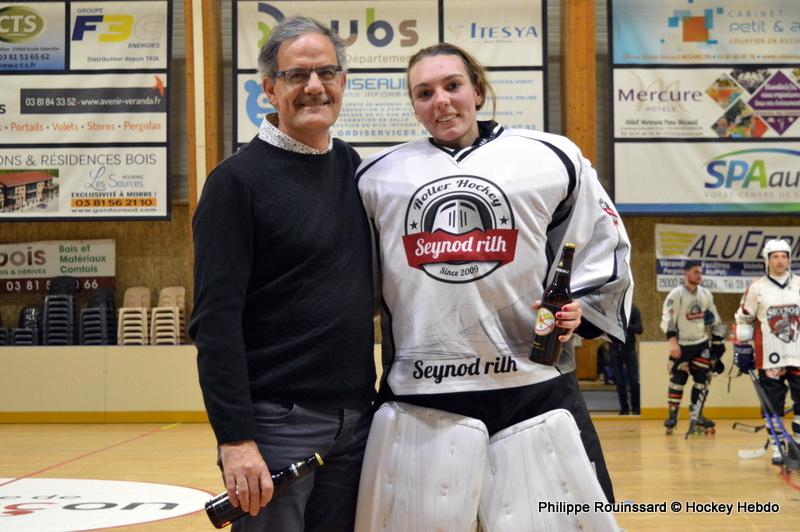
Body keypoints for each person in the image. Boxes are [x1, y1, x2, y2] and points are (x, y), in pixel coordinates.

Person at [355, 42, 632, 518]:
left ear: (478, 92)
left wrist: (581, 310)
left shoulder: (552, 157)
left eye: (453, 85)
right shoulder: (376, 177)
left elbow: (601, 244)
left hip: (533, 387)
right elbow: (351, 279)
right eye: (424, 93)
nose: (441, 101)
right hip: (422, 394)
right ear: (414, 106)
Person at [189, 17, 376, 532]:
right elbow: (215, 324)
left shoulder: (352, 167)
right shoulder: (235, 183)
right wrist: (235, 439)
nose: (314, 86)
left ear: (342, 82)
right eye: (297, 75)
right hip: (276, 427)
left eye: (326, 73)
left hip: (356, 422)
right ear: (269, 89)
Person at [734, 238, 800, 464]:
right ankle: (777, 447)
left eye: (783, 256)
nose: (780, 261)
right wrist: (743, 348)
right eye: (775, 257)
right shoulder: (757, 288)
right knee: (773, 404)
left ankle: (797, 445)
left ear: (789, 260)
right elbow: (744, 318)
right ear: (767, 260)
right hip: (770, 357)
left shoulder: (799, 284)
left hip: (798, 355)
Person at [660, 261, 726, 434]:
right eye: (696, 272)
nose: (699, 275)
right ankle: (672, 416)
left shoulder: (705, 294)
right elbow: (667, 318)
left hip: (701, 343)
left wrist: (718, 342)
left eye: (700, 272)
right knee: (677, 381)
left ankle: (696, 415)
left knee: (702, 381)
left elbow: (715, 318)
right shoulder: (676, 294)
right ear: (686, 273)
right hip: (682, 345)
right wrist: (672, 342)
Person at [609, 303, 643, 415]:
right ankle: (624, 409)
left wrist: (624, 325)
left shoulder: (633, 309)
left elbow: (640, 329)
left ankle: (636, 408)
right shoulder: (610, 310)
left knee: (634, 381)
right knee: (619, 382)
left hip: (629, 349)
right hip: (614, 349)